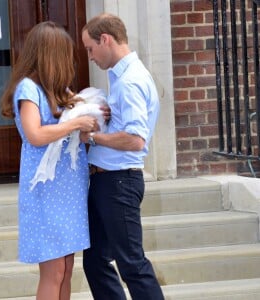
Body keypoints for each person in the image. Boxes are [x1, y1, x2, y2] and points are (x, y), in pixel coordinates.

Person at [0, 21, 99, 300]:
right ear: (50, 54)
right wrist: (75, 123)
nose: (70, 59)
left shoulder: (59, 90)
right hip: (47, 192)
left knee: (67, 268)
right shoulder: (28, 89)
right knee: (54, 270)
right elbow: (35, 134)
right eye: (65, 52)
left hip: (67, 191)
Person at [80, 13, 165, 300]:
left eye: (90, 48)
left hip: (119, 183)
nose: (90, 56)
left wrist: (91, 136)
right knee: (95, 261)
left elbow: (134, 139)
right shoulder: (123, 78)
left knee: (132, 265)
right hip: (108, 182)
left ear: (105, 39)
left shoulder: (129, 81)